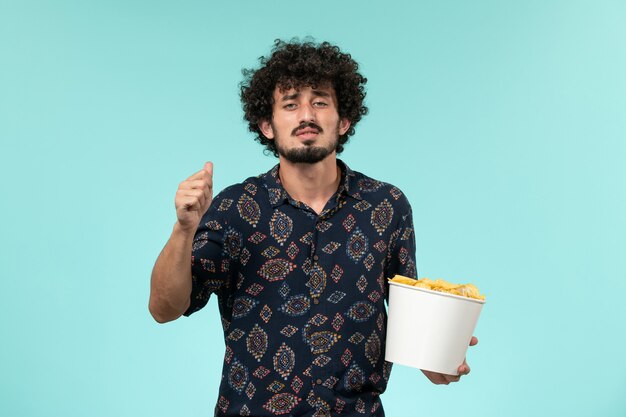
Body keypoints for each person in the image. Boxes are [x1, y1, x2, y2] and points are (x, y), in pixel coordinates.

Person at [149, 39, 477, 417]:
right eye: (290, 104)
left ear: (344, 120)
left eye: (320, 101)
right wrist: (183, 229)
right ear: (267, 125)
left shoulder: (386, 206)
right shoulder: (235, 207)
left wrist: (438, 359)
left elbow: (412, 322)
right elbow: (164, 308)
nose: (307, 114)